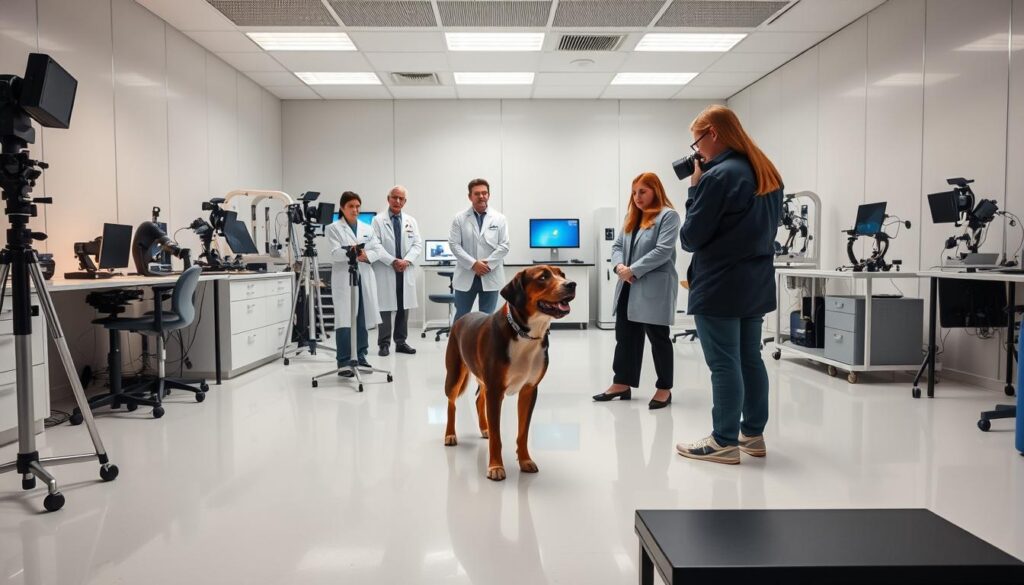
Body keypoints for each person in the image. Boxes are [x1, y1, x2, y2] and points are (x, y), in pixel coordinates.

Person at [674, 104, 784, 465]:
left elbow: (690, 238)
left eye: (697, 143)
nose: (697, 152)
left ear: (714, 133)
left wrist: (694, 190)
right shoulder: (765, 172)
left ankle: (723, 440)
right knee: (750, 358)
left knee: (724, 364)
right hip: (754, 283)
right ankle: (752, 434)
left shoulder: (717, 178)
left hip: (720, 285)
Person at [592, 172, 680, 410]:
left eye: (642, 191)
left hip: (652, 286)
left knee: (658, 338)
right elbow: (618, 245)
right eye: (634, 192)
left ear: (655, 191)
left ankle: (664, 388)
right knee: (625, 337)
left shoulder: (668, 216)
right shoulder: (633, 216)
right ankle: (622, 382)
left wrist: (632, 270)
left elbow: (662, 250)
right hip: (627, 285)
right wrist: (619, 266)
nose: (637, 197)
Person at [326, 191, 384, 376]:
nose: (355, 209)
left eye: (358, 206)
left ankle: (360, 356)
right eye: (351, 206)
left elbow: (377, 249)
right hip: (345, 277)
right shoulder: (333, 228)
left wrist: (366, 255)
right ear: (342, 208)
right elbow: (334, 253)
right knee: (345, 320)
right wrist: (351, 253)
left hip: (364, 275)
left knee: (362, 319)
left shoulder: (367, 228)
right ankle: (343, 361)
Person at [448, 178, 510, 321]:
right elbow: (454, 245)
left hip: (490, 273)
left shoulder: (499, 219)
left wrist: (486, 264)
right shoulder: (459, 218)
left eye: (484, 193)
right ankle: (457, 344)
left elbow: (504, 245)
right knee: (461, 317)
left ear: (489, 195)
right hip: (466, 273)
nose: (481, 196)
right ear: (470, 196)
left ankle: (484, 344)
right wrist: (473, 264)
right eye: (477, 193)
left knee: (487, 318)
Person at [371, 185, 422, 357]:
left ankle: (400, 342)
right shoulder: (378, 220)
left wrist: (406, 261)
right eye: (394, 197)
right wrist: (392, 261)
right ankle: (383, 344)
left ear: (405, 201)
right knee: (385, 308)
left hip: (404, 269)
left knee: (403, 307)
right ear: (388, 199)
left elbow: (417, 244)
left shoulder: (411, 221)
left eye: (401, 198)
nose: (397, 201)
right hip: (387, 269)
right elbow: (375, 245)